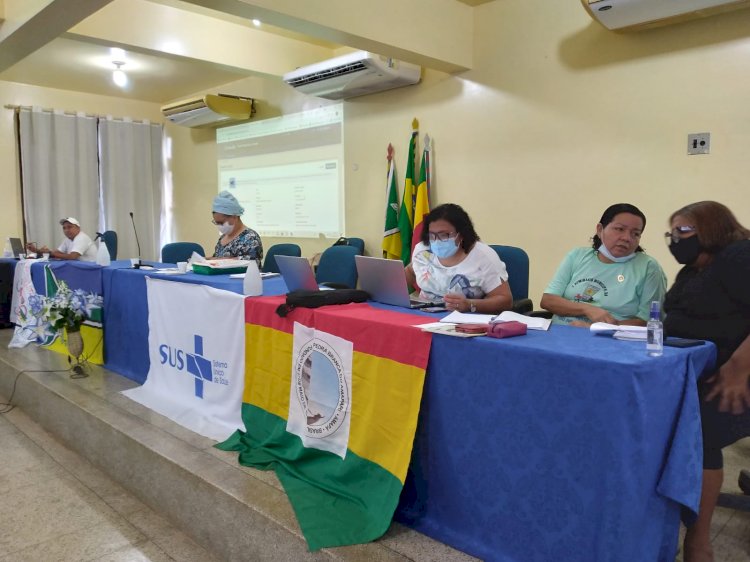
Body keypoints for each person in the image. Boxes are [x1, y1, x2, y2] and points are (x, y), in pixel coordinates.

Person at [662, 201, 750, 562]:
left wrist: (738, 369)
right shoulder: (693, 271)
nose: (675, 240)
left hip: (734, 377)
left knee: (699, 432)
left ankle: (699, 541)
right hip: (694, 372)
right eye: (671, 233)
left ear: (711, 228)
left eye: (683, 231)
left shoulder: (738, 256)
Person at [540, 203, 666, 326]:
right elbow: (548, 301)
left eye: (635, 233)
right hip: (559, 334)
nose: (627, 238)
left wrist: (599, 328)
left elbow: (648, 321)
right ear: (600, 230)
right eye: (620, 229)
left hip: (612, 341)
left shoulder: (648, 267)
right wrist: (587, 309)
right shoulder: (577, 255)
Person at [405, 203, 512, 314]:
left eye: (444, 235)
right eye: (432, 235)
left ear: (461, 235)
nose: (436, 240)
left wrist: (469, 305)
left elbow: (505, 301)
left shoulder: (484, 257)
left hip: (465, 320)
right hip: (423, 315)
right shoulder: (423, 251)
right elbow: (411, 272)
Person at [211, 191, 263, 266]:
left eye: (221, 222)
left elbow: (251, 263)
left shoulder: (251, 238)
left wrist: (218, 261)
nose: (219, 226)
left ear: (234, 217)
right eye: (216, 223)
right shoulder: (222, 238)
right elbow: (215, 262)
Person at [26, 217, 98, 262]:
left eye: (69, 227)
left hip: (91, 269)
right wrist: (36, 250)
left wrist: (50, 252)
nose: (66, 230)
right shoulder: (67, 240)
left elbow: (72, 257)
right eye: (64, 228)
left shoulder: (82, 237)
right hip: (78, 268)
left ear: (78, 228)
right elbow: (56, 253)